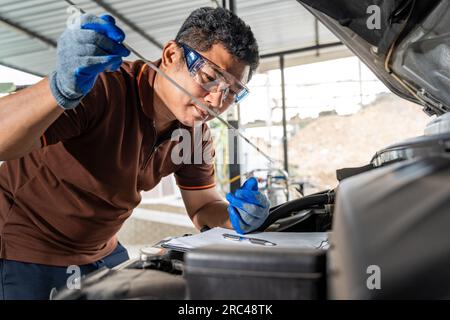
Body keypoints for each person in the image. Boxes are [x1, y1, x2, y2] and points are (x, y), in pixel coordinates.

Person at [0, 7, 270, 299]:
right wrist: (59, 88)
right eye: (209, 77)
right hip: (23, 247)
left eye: (232, 92)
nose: (217, 100)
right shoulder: (101, 87)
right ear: (170, 56)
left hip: (101, 251)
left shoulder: (193, 134)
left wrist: (235, 216)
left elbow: (202, 206)